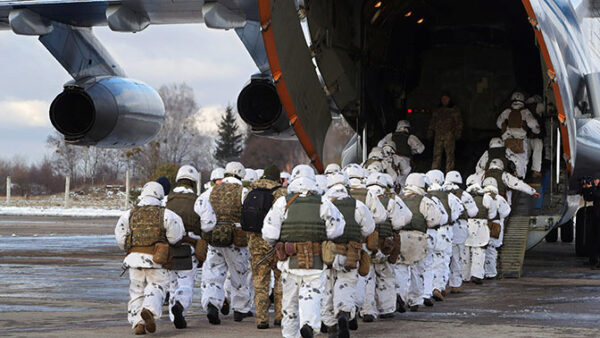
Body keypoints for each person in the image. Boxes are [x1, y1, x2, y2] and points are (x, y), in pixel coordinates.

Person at [262, 164, 345, 338]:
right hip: (315, 261)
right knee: (312, 297)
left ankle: (290, 334)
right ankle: (308, 324)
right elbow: (336, 229)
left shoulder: (283, 203)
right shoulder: (323, 202)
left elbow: (269, 233)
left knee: (289, 301)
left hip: (289, 261)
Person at [114, 182, 185, 335]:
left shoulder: (128, 214)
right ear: (160, 196)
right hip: (157, 259)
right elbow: (175, 238)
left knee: (136, 291)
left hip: (134, 259)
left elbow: (120, 239)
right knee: (157, 287)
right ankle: (149, 311)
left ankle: (138, 323)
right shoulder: (167, 214)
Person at [321, 171, 375, 337]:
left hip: (328, 251)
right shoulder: (358, 205)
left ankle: (330, 325)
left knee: (327, 286)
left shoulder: (324, 203)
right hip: (351, 251)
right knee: (347, 284)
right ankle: (343, 313)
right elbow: (369, 228)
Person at [165, 165, 216, 329]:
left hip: (169, 247)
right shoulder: (199, 200)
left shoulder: (166, 199)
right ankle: (179, 305)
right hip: (190, 246)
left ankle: (175, 318)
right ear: (193, 182)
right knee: (185, 283)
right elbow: (209, 225)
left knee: (172, 283)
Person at [201, 162, 252, 325]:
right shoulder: (243, 192)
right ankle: (240, 309)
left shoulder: (211, 191)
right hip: (236, 240)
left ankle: (212, 303)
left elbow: (199, 206)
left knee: (214, 272)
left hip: (214, 238)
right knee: (239, 274)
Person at [360, 172, 411, 321]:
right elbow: (401, 221)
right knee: (386, 275)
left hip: (366, 244)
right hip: (385, 244)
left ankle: (367, 310)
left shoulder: (363, 197)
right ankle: (386, 309)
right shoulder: (391, 200)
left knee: (367, 277)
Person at [243, 164, 287, 329]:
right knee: (280, 279)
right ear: (278, 179)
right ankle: (280, 316)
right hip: (277, 243)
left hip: (255, 242)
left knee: (260, 281)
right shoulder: (281, 193)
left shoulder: (250, 192)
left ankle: (261, 319)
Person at [396, 173, 444, 312]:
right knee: (418, 270)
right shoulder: (425, 200)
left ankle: (400, 296)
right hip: (418, 237)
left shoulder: (399, 199)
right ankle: (415, 300)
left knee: (401, 269)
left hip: (401, 237)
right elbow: (435, 220)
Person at [426, 170, 464, 301]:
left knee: (427, 262)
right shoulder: (451, 197)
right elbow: (457, 213)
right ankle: (439, 287)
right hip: (445, 232)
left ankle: (427, 289)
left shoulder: (424, 196)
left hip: (428, 232)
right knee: (443, 261)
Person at [442, 171, 478, 293]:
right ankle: (455, 284)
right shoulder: (465, 195)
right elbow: (473, 213)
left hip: (442, 228)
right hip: (459, 228)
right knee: (456, 257)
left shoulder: (438, 192)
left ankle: (439, 285)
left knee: (441, 257)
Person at [496, 92, 540, 179]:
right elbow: (533, 124)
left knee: (507, 162)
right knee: (522, 163)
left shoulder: (506, 111)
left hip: (507, 141)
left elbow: (498, 124)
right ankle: (520, 181)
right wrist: (537, 132)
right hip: (521, 142)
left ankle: (507, 180)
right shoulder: (525, 112)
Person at [464, 174, 497, 284]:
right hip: (481, 225)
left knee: (465, 252)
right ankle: (477, 275)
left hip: (466, 225)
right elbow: (492, 214)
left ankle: (465, 276)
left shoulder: (464, 196)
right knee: (479, 251)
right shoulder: (486, 197)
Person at [377, 120, 425, 187]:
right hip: (405, 161)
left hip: (391, 161)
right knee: (403, 182)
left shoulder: (390, 135)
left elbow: (379, 145)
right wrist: (412, 152)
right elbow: (421, 149)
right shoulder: (411, 137)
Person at [481, 177, 511, 279]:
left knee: (480, 250)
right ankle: (491, 273)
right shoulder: (499, 198)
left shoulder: (481, 197)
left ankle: (480, 272)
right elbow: (506, 212)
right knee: (492, 249)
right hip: (496, 227)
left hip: (482, 226)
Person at [428, 93, 463, 172]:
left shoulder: (454, 110)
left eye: (446, 99)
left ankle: (449, 173)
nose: (444, 101)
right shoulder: (438, 110)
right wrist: (430, 131)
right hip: (438, 136)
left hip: (449, 136)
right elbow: (433, 121)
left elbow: (459, 122)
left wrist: (458, 132)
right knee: (436, 155)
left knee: (450, 156)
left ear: (449, 99)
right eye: (442, 99)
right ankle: (435, 172)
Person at [525, 95, 546, 178]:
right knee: (537, 152)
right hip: (536, 134)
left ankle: (521, 170)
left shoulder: (524, 109)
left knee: (525, 154)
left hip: (526, 135)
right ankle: (536, 171)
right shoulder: (540, 106)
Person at [582, 177, 600, 269]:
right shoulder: (597, 188)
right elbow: (589, 198)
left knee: (598, 239)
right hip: (596, 217)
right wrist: (585, 189)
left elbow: (597, 195)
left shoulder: (597, 189)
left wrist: (592, 188)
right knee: (594, 238)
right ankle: (593, 260)